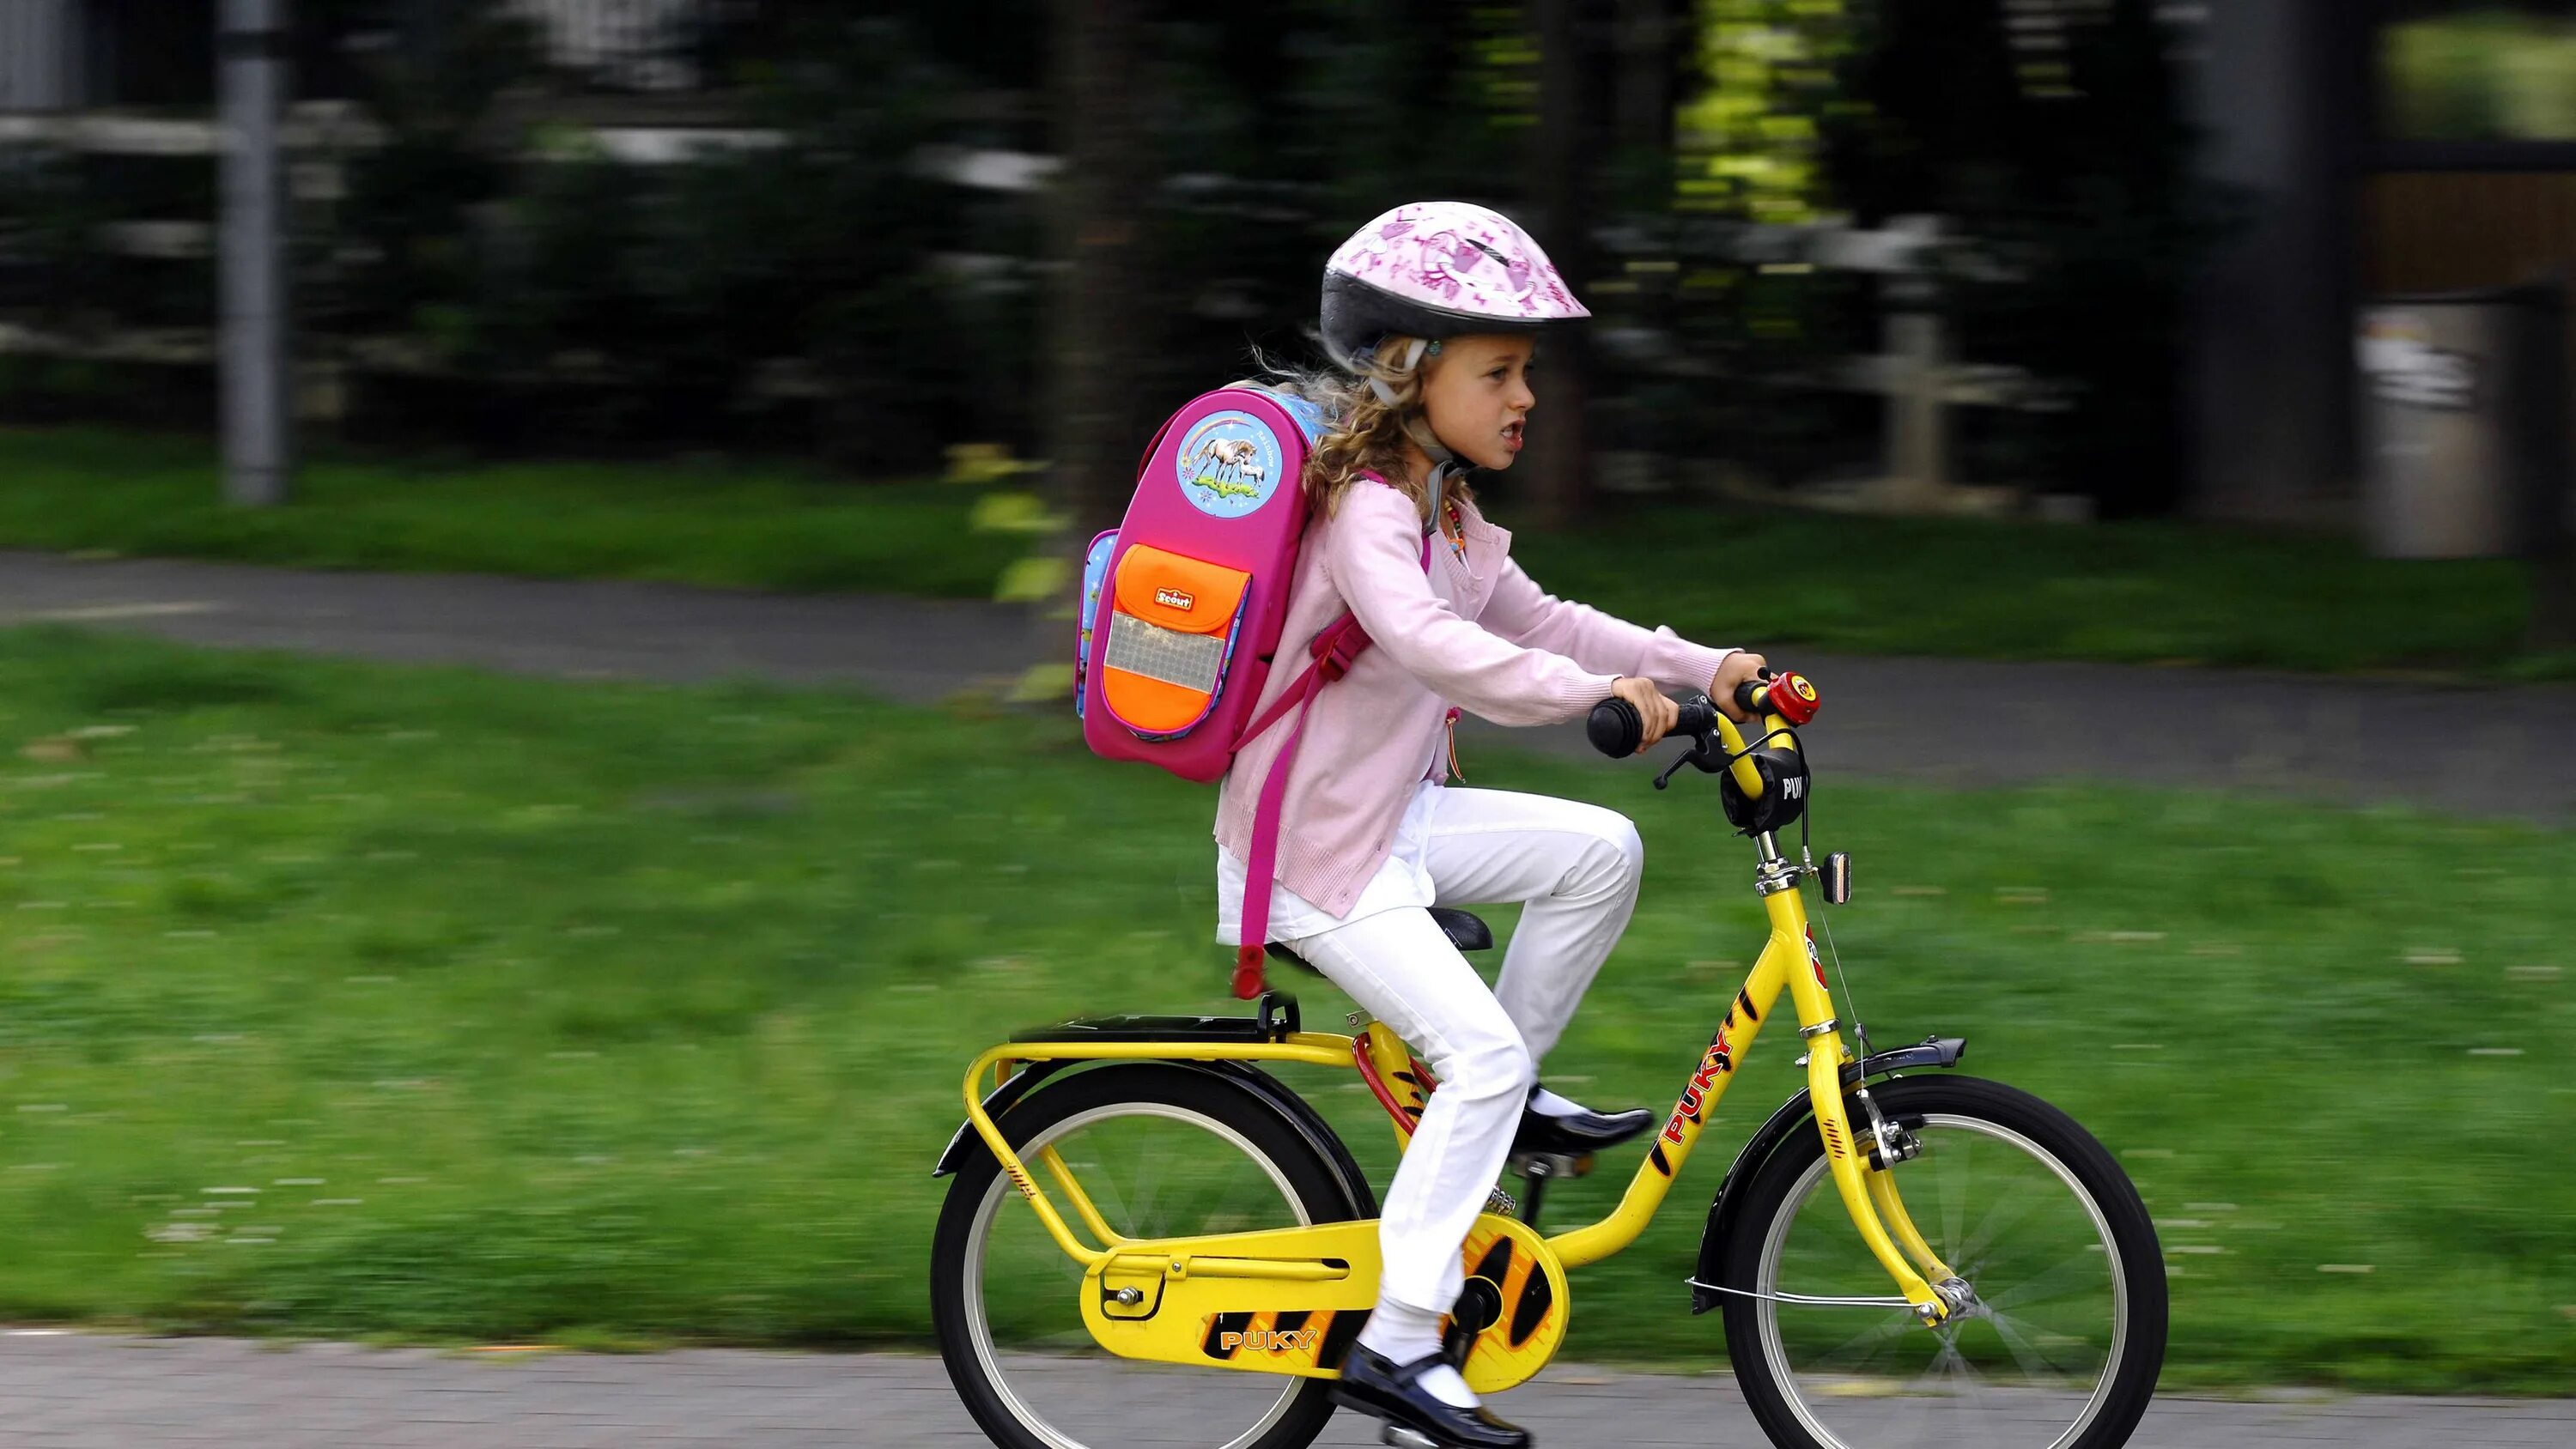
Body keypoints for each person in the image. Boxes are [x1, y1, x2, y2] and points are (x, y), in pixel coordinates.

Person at [1214, 201, 1767, 1449]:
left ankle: (1498, 1110)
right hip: (1312, 857)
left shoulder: (1444, 508)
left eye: (1527, 373)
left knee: (1600, 852)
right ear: (1410, 373)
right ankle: (1401, 1344)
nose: (1526, 397)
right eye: (1500, 372)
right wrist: (1601, 702)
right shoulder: (1366, 510)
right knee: (1482, 1057)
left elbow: (1544, 619)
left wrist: (1706, 663)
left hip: (1388, 823)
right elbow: (1436, 648)